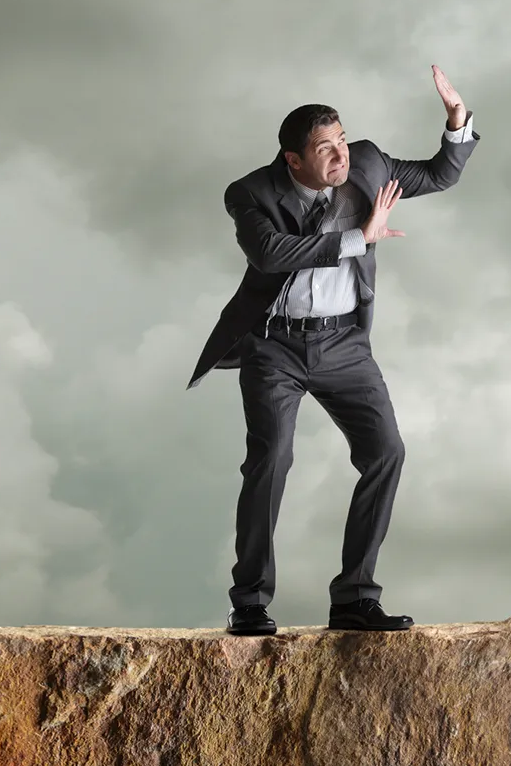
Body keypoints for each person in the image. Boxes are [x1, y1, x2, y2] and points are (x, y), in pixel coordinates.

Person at [186, 66, 481, 636]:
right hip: (275, 347)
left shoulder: (368, 164)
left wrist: (456, 121)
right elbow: (271, 254)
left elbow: (439, 174)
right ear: (293, 161)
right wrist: (357, 238)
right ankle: (249, 602)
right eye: (325, 148)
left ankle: (354, 598)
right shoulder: (250, 193)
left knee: (386, 452)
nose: (340, 153)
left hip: (344, 343)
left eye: (341, 139)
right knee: (271, 461)